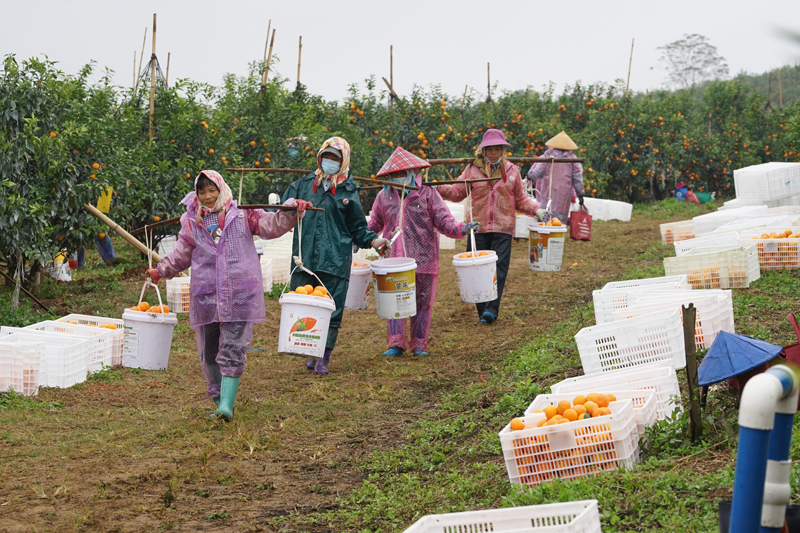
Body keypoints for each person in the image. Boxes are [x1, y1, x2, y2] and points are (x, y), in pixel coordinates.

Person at [147, 170, 309, 420]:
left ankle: (226, 405)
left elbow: (270, 225)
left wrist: (290, 211)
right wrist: (160, 271)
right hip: (207, 293)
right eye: (202, 191)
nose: (207, 196)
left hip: (238, 291)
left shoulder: (243, 214)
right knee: (210, 349)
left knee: (233, 346)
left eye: (212, 190)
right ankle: (218, 399)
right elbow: (181, 253)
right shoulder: (192, 220)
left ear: (221, 189)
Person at [282, 137, 390, 375]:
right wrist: (293, 204)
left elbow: (357, 227)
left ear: (344, 161)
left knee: (331, 308)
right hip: (304, 257)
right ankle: (310, 348)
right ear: (319, 157)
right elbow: (283, 205)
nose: (329, 161)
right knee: (304, 304)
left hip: (335, 259)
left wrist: (374, 241)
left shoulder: (348, 190)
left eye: (335, 158)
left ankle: (324, 356)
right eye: (326, 156)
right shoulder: (304, 184)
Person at [368, 147, 480, 357]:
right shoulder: (384, 197)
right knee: (395, 299)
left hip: (424, 257)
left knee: (422, 300)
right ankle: (396, 343)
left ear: (412, 172)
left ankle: (419, 343)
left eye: (402, 172)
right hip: (395, 259)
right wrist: (362, 238)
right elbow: (375, 222)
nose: (398, 177)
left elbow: (444, 220)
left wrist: (461, 228)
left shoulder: (427, 194)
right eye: (394, 173)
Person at [437, 129, 540, 325]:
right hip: (477, 227)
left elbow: (520, 199)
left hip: (503, 227)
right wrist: (439, 188)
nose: (493, 153)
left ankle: (491, 309)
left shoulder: (512, 171)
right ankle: (482, 309)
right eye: (490, 149)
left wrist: (536, 210)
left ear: (503, 150)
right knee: (476, 269)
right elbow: (458, 192)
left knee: (499, 268)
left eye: (497, 149)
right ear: (483, 150)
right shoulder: (472, 170)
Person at [526, 131, 584, 224]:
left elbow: (538, 172)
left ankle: (544, 231)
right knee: (559, 221)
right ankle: (558, 232)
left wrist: (529, 176)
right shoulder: (572, 159)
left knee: (545, 218)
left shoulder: (547, 156)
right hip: (564, 195)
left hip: (547, 193)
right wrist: (580, 193)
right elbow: (577, 178)